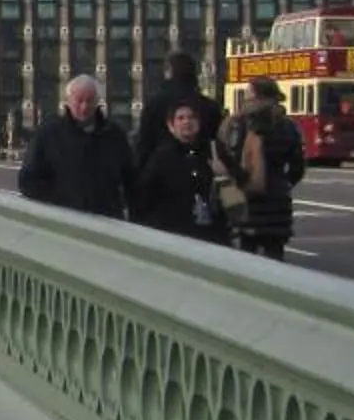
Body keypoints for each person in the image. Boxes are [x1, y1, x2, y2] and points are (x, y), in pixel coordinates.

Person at [218, 77, 305, 261]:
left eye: (248, 96)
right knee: (275, 256)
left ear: (256, 98)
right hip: (278, 201)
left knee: (247, 256)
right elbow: (297, 166)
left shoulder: (240, 124)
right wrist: (283, 184)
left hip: (247, 200)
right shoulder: (288, 126)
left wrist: (240, 181)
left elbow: (229, 159)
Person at [19, 73, 131, 217]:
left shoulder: (114, 135)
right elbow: (27, 181)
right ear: (68, 101)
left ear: (98, 102)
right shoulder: (49, 134)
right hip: (64, 221)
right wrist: (62, 199)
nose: (84, 107)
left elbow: (130, 180)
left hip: (108, 221)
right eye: (79, 101)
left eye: (89, 101)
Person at [128, 98, 232, 244]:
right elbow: (145, 194)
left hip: (211, 233)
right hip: (175, 233)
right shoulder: (162, 157)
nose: (186, 122)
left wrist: (224, 174)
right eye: (180, 118)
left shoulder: (213, 152)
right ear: (171, 125)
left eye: (191, 117)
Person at [133, 48, 222, 168]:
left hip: (162, 175)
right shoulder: (210, 107)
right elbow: (217, 146)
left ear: (169, 72)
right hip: (199, 175)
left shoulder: (154, 105)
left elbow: (143, 147)